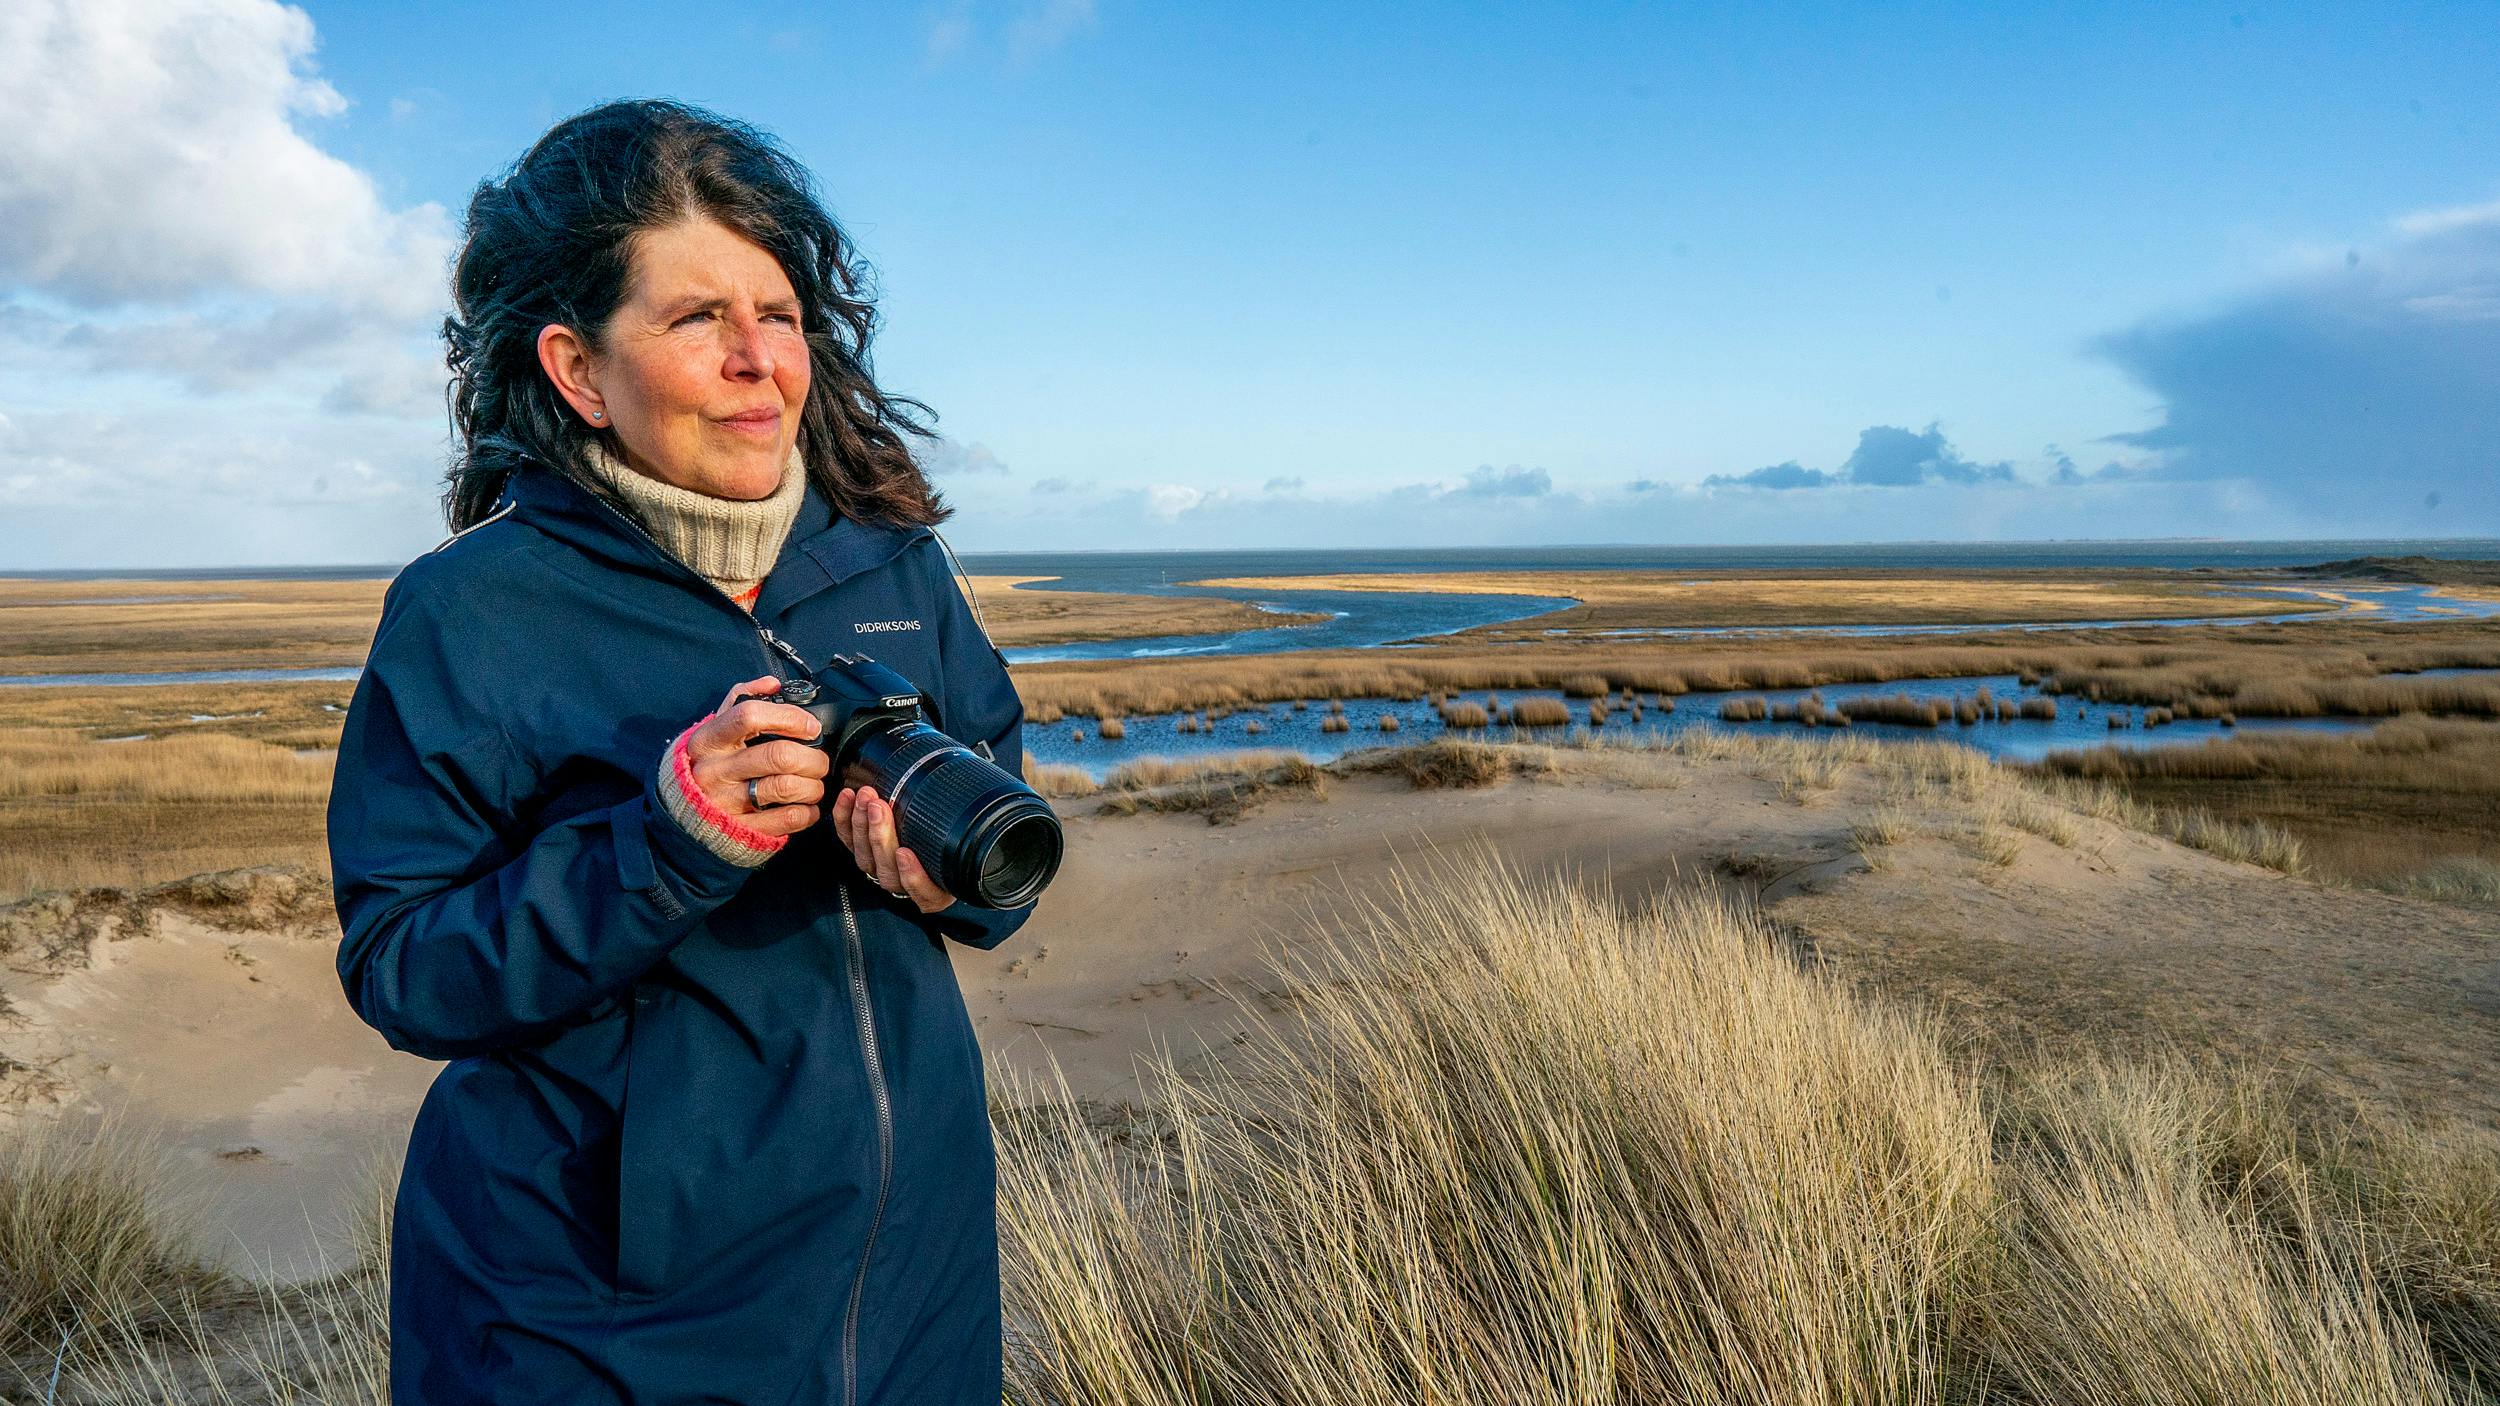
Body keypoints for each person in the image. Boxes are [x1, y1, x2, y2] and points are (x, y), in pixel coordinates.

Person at [326, 98, 1038, 1404]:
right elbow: (399, 963)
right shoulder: (472, 611)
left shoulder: (889, 560)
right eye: (696, 318)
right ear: (577, 368)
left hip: (913, 1292)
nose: (758, 360)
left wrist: (951, 882)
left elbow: (1005, 808)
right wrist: (662, 845)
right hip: (597, 1325)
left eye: (778, 314)